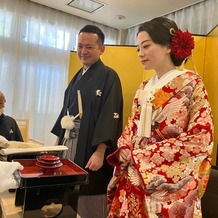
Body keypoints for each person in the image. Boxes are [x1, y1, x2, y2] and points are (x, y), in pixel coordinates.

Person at [107, 17, 214, 218]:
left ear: (168, 47)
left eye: (146, 46)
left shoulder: (191, 83)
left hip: (168, 182)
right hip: (135, 174)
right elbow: (132, 125)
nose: (140, 53)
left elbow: (201, 138)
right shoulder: (143, 87)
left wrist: (142, 157)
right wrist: (124, 147)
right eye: (138, 48)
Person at [51, 25, 123, 218]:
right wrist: (57, 144)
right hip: (70, 142)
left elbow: (109, 115)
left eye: (89, 47)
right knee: (68, 191)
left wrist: (100, 152)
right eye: (80, 46)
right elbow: (65, 111)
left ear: (102, 48)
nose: (83, 51)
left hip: (91, 146)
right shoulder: (76, 77)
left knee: (90, 195)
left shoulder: (109, 76)